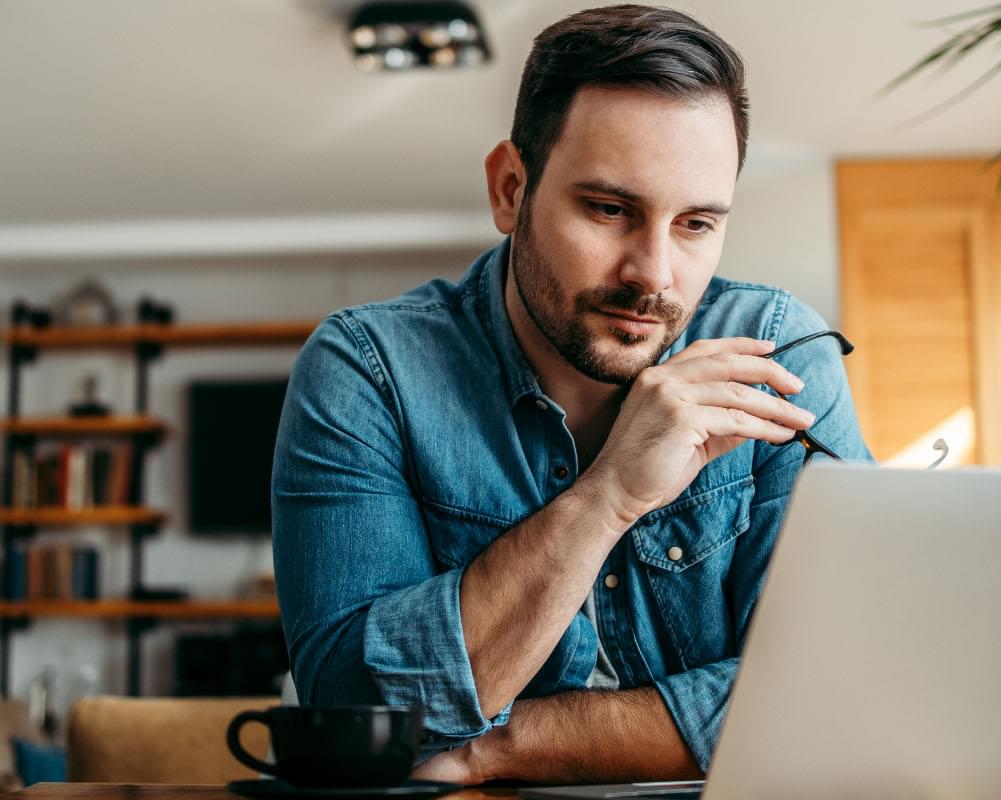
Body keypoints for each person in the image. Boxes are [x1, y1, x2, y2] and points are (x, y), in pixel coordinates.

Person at [271, 3, 870, 786]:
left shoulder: (779, 353)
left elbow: (844, 691)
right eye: (611, 210)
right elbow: (356, 717)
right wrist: (609, 494)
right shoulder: (370, 370)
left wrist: (500, 744)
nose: (653, 275)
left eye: (694, 224)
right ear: (511, 189)